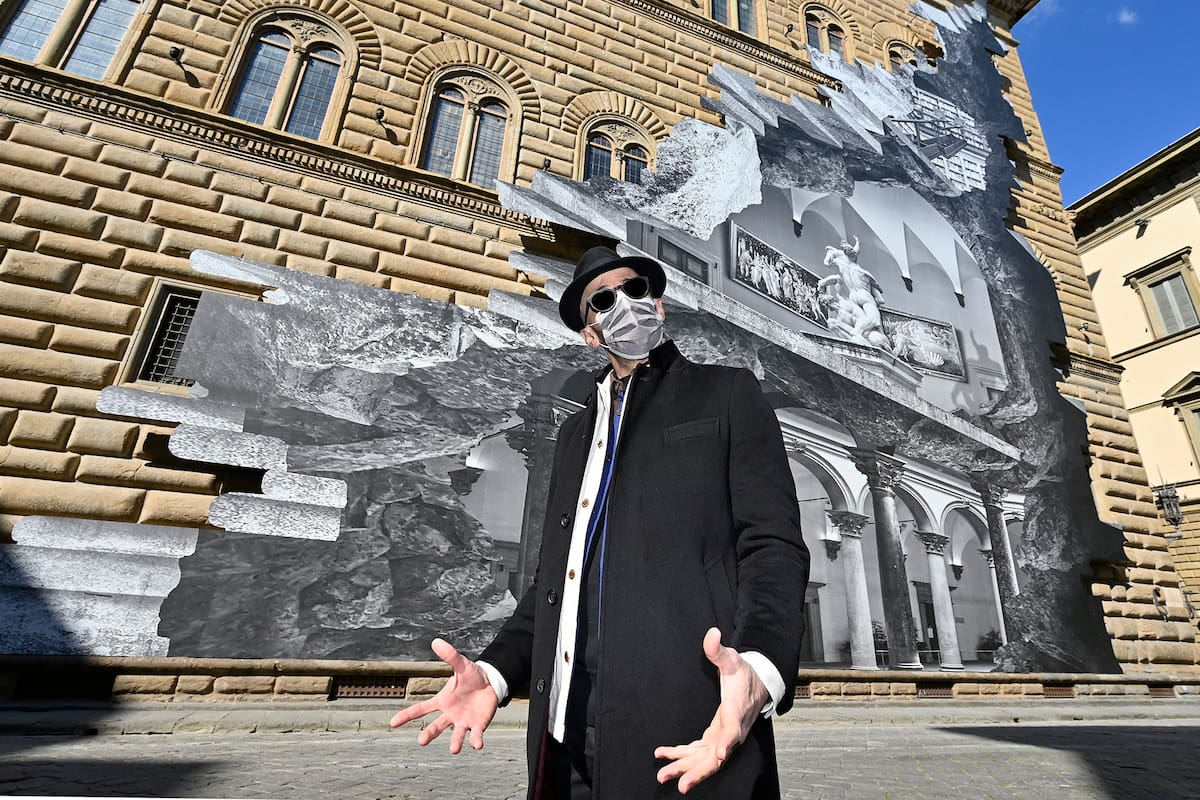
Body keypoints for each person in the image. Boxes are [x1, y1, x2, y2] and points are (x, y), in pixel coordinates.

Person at [391, 246, 810, 799]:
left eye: (636, 290)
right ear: (591, 334)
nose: (626, 304)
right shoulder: (573, 433)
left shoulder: (727, 392)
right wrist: (495, 674)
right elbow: (553, 583)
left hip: (688, 718)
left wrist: (760, 665)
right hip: (564, 736)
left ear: (658, 306)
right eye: (604, 300)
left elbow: (773, 545)